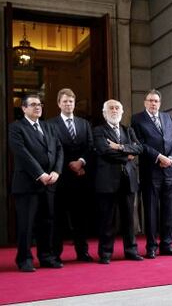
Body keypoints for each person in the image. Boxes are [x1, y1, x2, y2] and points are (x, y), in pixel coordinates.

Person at [8, 94, 64, 272]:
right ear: (24, 108)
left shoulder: (48, 126)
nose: (37, 107)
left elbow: (59, 149)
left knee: (47, 221)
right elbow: (21, 153)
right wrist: (40, 174)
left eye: (39, 104)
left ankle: (46, 257)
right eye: (33, 105)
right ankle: (24, 259)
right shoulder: (16, 128)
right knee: (27, 223)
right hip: (27, 184)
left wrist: (56, 171)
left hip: (49, 184)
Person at [131, 89, 172, 259]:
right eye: (150, 100)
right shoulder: (137, 119)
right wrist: (159, 156)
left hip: (169, 169)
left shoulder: (167, 117)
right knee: (151, 210)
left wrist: (171, 157)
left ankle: (167, 244)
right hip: (151, 170)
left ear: (160, 103)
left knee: (168, 209)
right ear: (145, 102)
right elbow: (140, 144)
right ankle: (151, 246)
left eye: (156, 101)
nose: (153, 103)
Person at [93, 99, 144, 264]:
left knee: (129, 218)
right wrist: (127, 154)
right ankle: (105, 253)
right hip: (107, 181)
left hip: (128, 180)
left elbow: (139, 148)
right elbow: (104, 151)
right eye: (111, 108)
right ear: (104, 113)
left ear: (122, 112)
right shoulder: (98, 131)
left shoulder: (128, 130)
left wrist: (120, 147)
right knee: (107, 219)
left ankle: (131, 250)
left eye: (117, 108)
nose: (114, 110)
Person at [48, 88, 94, 263]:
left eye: (71, 101)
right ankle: (55, 254)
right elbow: (52, 150)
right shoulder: (50, 124)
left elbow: (90, 147)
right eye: (65, 101)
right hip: (60, 179)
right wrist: (69, 166)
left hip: (81, 178)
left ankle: (82, 252)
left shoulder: (84, 124)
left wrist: (81, 162)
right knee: (58, 218)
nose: (68, 104)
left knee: (80, 218)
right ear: (59, 103)